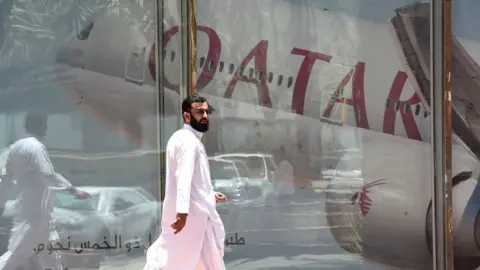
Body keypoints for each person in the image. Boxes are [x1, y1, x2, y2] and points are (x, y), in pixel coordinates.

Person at [144, 95, 227, 270]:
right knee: (172, 261)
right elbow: (183, 177)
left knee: (200, 262)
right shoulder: (188, 142)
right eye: (199, 112)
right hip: (191, 219)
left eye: (206, 111)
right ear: (187, 116)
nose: (205, 115)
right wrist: (182, 212)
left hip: (196, 216)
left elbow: (193, 180)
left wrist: (209, 194)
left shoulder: (183, 139)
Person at [0, 112, 91, 270]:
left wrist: (1, 203)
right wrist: (73, 190)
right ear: (41, 127)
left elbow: (5, 177)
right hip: (34, 215)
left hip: (37, 214)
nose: (47, 129)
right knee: (16, 255)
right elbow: (48, 173)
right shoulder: (36, 147)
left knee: (51, 256)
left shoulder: (14, 148)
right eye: (45, 125)